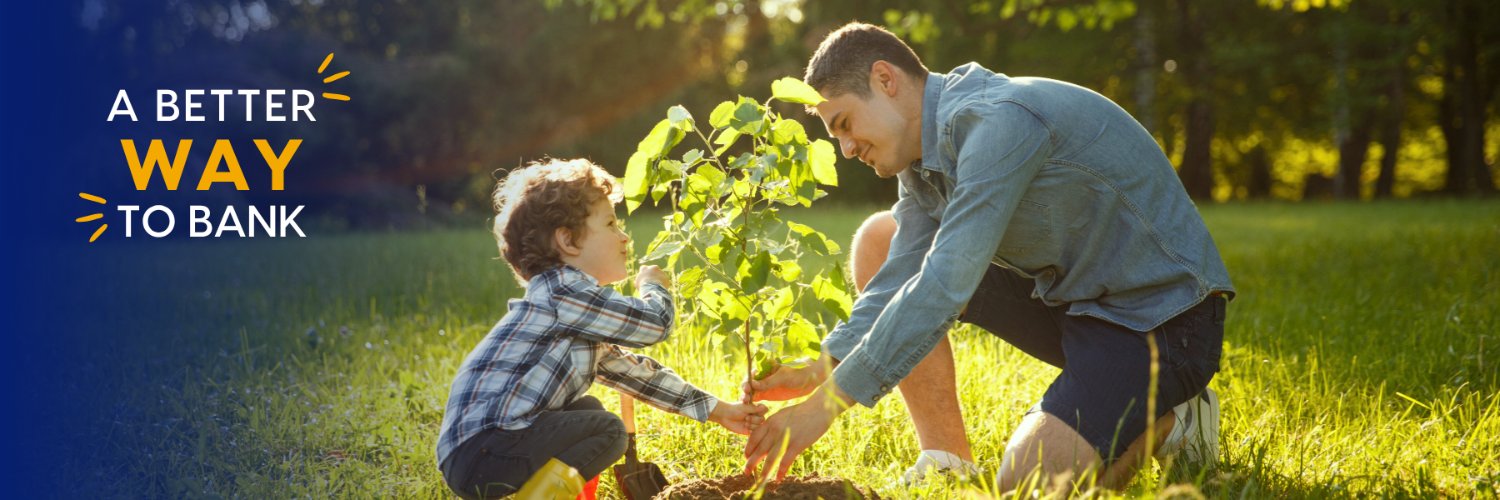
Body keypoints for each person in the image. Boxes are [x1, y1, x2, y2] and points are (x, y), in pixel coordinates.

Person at [743, 23, 1234, 491]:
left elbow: (944, 282)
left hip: (1161, 322)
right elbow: (900, 275)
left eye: (845, 124)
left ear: (885, 79)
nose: (847, 148)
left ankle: (1176, 421)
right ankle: (947, 461)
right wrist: (823, 365)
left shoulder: (997, 122)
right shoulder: (920, 162)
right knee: (882, 239)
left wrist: (824, 407)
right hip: (1075, 304)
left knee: (1026, 485)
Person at [437, 158, 767, 499]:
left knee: (589, 412)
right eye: (610, 224)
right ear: (568, 241)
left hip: (480, 452)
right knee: (608, 430)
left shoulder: (572, 311)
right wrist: (654, 286)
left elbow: (639, 376)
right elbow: (656, 324)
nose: (624, 237)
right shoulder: (563, 292)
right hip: (486, 447)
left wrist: (721, 411)